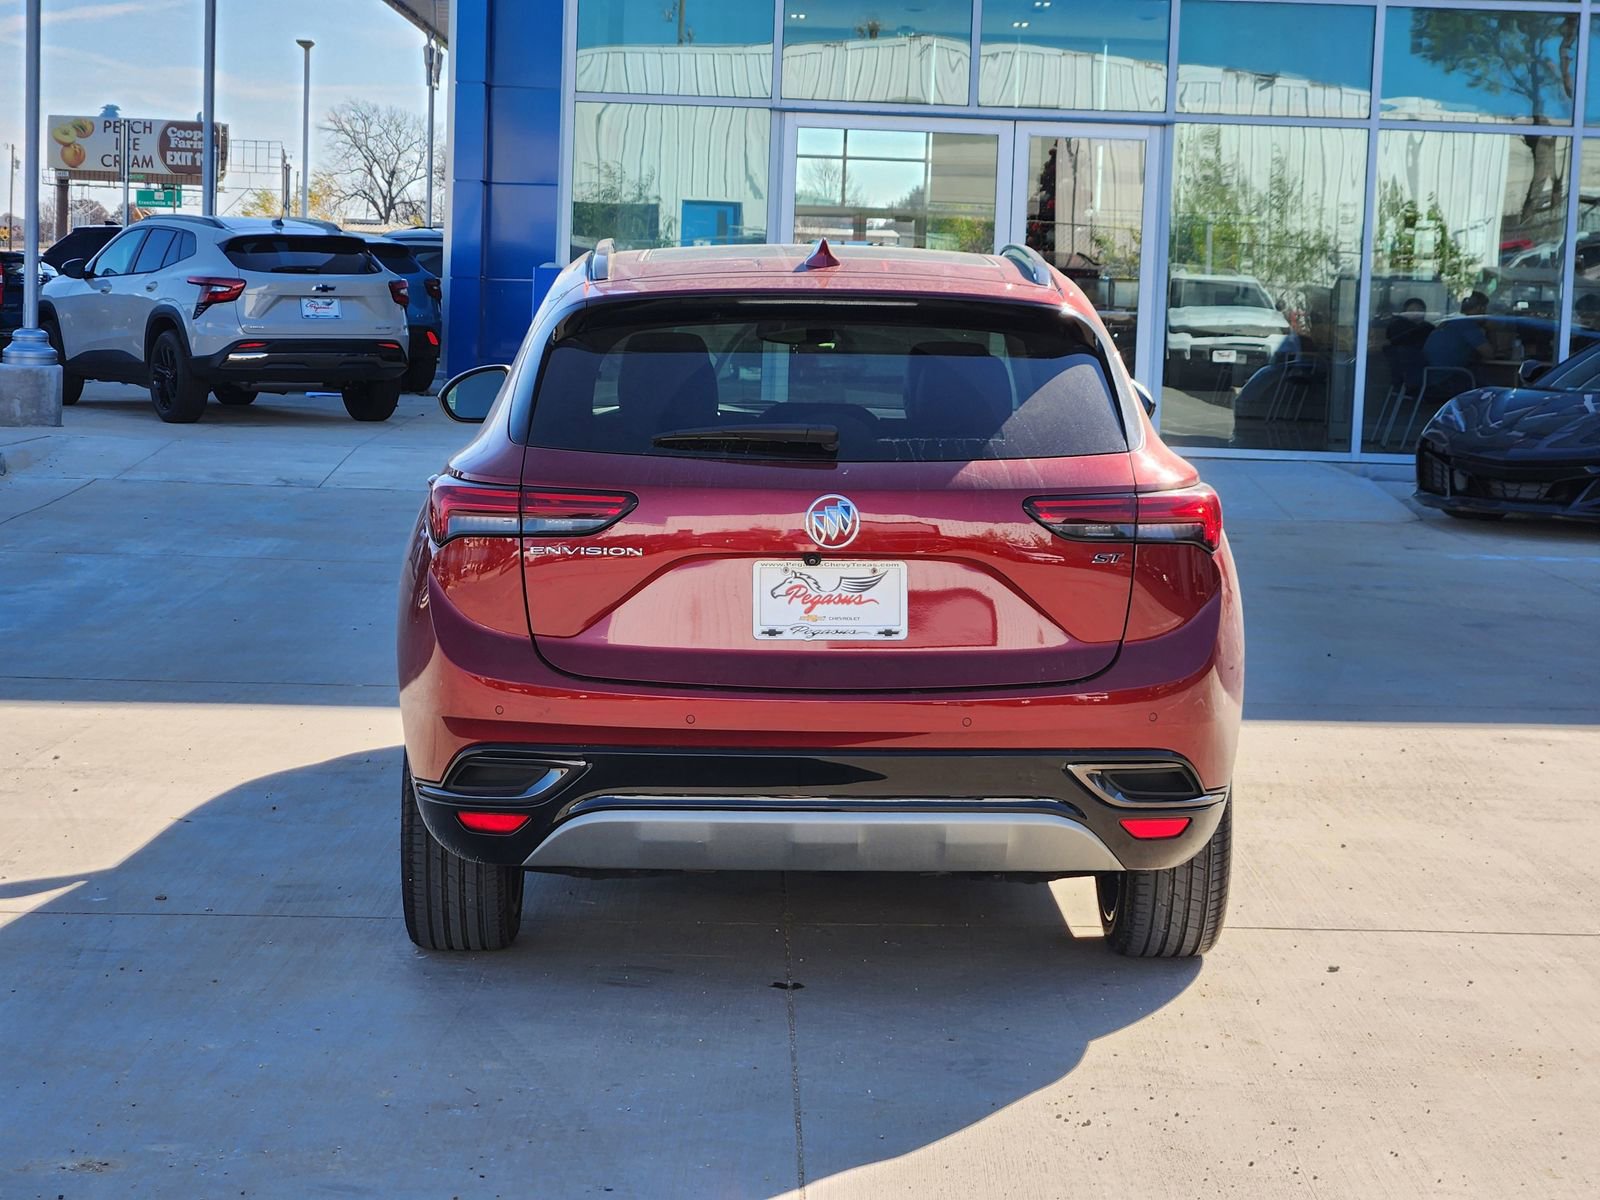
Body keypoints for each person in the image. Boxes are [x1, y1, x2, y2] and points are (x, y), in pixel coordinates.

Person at [1422, 291, 1492, 390]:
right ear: (1480, 308)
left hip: (1429, 377)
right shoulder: (1467, 325)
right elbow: (1489, 353)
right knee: (1491, 388)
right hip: (1445, 379)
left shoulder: (1449, 321)